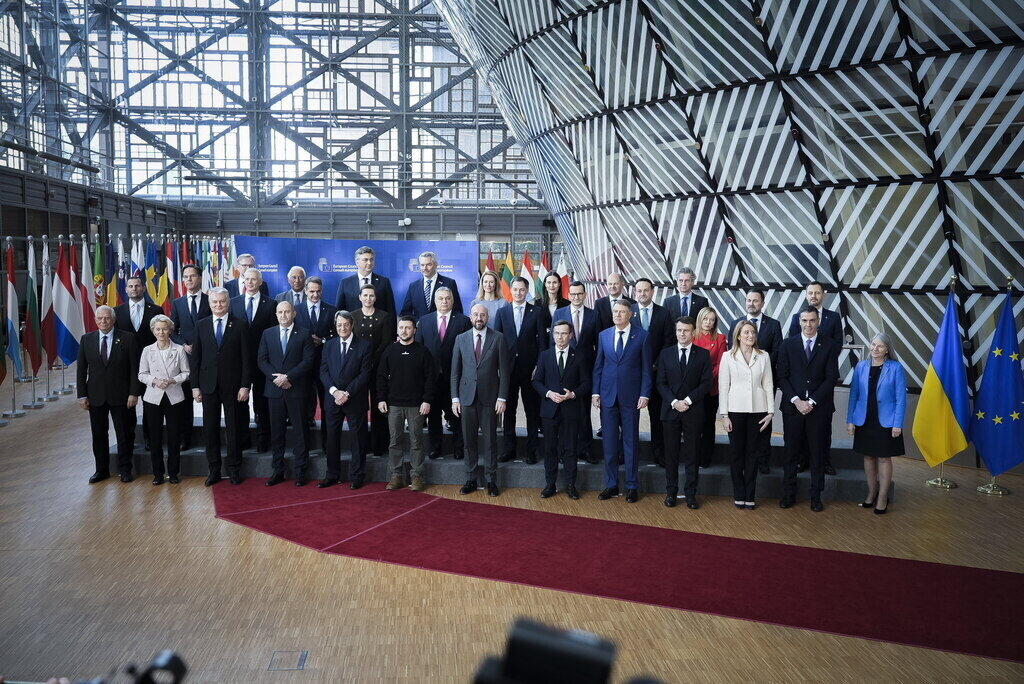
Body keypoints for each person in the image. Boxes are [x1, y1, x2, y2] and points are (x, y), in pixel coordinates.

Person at [778, 305, 840, 512]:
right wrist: (797, 401)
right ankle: (789, 494)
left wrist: (811, 402)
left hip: (819, 410)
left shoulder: (829, 345)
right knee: (790, 454)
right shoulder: (788, 344)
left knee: (817, 454)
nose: (808, 325)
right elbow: (782, 376)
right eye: (804, 321)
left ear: (818, 321)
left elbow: (831, 377)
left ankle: (816, 497)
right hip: (793, 409)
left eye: (812, 320)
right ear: (799, 321)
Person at [592, 301, 652, 503]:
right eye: (615, 311)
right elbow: (598, 366)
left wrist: (645, 394)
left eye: (622, 312)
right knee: (609, 444)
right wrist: (595, 392)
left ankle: (632, 486)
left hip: (631, 398)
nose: (617, 315)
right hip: (607, 396)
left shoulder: (642, 336)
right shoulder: (604, 335)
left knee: (630, 443)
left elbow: (646, 369)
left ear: (631, 314)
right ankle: (611, 484)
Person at [190, 287, 250, 486]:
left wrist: (245, 386)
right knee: (210, 429)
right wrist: (195, 386)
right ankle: (214, 470)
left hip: (233, 387)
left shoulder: (240, 325)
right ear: (210, 304)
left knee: (233, 429)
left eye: (222, 301)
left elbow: (246, 359)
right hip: (208, 386)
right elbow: (195, 358)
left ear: (228, 303)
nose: (218, 305)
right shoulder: (201, 325)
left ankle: (234, 470)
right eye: (215, 302)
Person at [451, 303, 510, 496]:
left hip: (490, 398)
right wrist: (455, 398)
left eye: (482, 315)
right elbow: (455, 373)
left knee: (490, 440)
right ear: (470, 317)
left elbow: (505, 372)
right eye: (475, 314)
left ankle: (491, 480)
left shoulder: (498, 338)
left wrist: (502, 397)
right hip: (466, 398)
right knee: (469, 440)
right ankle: (471, 479)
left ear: (487, 317)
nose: (479, 318)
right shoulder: (460, 339)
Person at [77, 305, 139, 483]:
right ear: (95, 320)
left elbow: (134, 368)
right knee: (98, 435)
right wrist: (82, 395)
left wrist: (134, 393)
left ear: (113, 319)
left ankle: (125, 470)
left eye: (107, 318)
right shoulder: (86, 339)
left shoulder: (127, 338)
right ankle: (101, 470)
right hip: (95, 396)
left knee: (124, 435)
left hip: (122, 396)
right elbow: (81, 370)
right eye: (100, 318)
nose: (103, 321)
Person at [655, 317, 712, 509]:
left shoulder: (703, 354)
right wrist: (674, 402)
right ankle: (671, 493)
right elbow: (660, 383)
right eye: (679, 330)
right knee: (671, 455)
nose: (682, 334)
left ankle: (690, 494)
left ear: (693, 332)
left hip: (693, 410)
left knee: (692, 455)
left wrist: (687, 401)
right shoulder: (665, 354)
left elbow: (706, 383)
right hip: (670, 410)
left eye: (686, 330)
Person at [787, 281, 842, 476]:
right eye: (810, 293)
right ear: (806, 294)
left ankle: (824, 461)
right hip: (800, 383)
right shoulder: (797, 317)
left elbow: (837, 345)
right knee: (801, 429)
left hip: (823, 378)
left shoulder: (833, 317)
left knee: (824, 429)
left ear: (823, 295)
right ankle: (802, 460)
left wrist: (821, 358)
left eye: (817, 293)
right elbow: (793, 346)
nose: (813, 296)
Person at [847, 333, 906, 515]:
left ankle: (882, 497)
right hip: (864, 419)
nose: (875, 348)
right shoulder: (861, 366)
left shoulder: (895, 368)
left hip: (886, 421)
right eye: (873, 344)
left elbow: (901, 399)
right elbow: (854, 395)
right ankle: (871, 493)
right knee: (868, 457)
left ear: (887, 349)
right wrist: (850, 420)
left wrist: (897, 423)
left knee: (883, 458)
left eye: (880, 346)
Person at [493, 276, 550, 464]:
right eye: (515, 289)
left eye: (522, 289)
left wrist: (539, 367)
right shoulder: (502, 312)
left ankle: (531, 450)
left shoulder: (537, 312)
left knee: (531, 410)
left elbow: (543, 342)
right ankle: (509, 449)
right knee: (508, 410)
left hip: (530, 369)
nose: (518, 293)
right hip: (508, 370)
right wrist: (499, 368)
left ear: (527, 291)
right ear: (510, 290)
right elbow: (497, 342)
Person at [258, 301, 315, 486]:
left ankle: (301, 471)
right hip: (274, 391)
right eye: (280, 312)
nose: (283, 315)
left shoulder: (304, 333)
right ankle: (278, 470)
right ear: (276, 314)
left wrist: (288, 377)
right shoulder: (268, 333)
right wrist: (277, 379)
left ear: (294, 313)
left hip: (296, 390)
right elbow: (262, 360)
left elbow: (308, 361)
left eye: (287, 312)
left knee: (300, 432)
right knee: (277, 433)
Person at [532, 320, 590, 499]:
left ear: (570, 335)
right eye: (557, 333)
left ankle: (571, 485)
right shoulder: (545, 355)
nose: (560, 337)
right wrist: (549, 393)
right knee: (550, 449)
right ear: (553, 335)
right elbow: (536, 381)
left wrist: (573, 394)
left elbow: (586, 383)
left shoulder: (579, 356)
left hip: (571, 410)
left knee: (570, 448)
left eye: (564, 333)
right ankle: (550, 484)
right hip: (549, 411)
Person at [719, 321, 774, 510]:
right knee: (736, 454)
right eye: (746, 332)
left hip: (758, 410)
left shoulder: (763, 355)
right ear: (738, 335)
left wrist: (771, 412)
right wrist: (724, 415)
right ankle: (739, 494)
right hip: (734, 411)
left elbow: (768, 384)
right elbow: (723, 387)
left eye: (753, 332)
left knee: (753, 454)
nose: (751, 335)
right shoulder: (727, 356)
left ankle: (750, 496)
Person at [727, 288, 783, 474]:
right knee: (741, 426)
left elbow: (777, 351)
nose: (751, 304)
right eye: (748, 300)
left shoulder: (773, 325)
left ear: (762, 303)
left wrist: (760, 364)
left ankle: (763, 460)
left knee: (763, 423)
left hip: (763, 381)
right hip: (740, 384)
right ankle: (744, 460)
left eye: (755, 300)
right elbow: (731, 351)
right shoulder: (736, 324)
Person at [377, 316, 436, 492]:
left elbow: (430, 378)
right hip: (394, 404)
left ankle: (416, 476)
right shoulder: (389, 351)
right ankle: (396, 476)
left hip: (417, 405)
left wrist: (427, 400)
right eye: (401, 327)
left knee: (416, 441)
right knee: (394, 441)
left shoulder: (423, 352)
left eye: (408, 328)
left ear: (414, 330)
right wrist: (381, 399)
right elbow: (381, 377)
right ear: (397, 330)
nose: (404, 331)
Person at [416, 286, 471, 460]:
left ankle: (459, 448)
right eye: (441, 298)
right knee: (433, 416)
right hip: (431, 378)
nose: (444, 301)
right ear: (435, 301)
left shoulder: (463, 321)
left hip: (455, 377)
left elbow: (467, 352)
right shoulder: (424, 321)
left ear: (452, 300)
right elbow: (419, 349)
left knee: (456, 414)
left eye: (448, 298)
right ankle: (435, 447)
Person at [319, 311, 373, 489]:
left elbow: (365, 374)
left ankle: (357, 476)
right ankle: (332, 475)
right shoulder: (329, 345)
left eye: (346, 325)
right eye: (339, 325)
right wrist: (335, 392)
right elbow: (323, 371)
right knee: (332, 439)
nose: (342, 328)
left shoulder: (364, 346)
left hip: (354, 399)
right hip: (333, 400)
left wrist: (347, 393)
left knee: (358, 439)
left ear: (352, 325)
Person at [138, 315, 190, 485]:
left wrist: (173, 380)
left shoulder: (179, 350)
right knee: (155, 437)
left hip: (174, 396)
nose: (161, 332)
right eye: (158, 329)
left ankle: (173, 472)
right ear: (153, 331)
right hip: (153, 397)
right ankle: (158, 474)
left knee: (174, 436)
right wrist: (154, 380)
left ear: (170, 331)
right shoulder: (147, 350)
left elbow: (186, 373)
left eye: (164, 329)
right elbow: (141, 374)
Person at [552, 281, 600, 463]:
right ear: (568, 295)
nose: (576, 297)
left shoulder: (594, 315)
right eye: (573, 294)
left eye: (579, 293)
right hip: (564, 368)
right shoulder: (559, 313)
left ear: (585, 294)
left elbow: (599, 344)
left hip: (586, 369)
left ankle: (585, 450)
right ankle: (563, 451)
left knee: (584, 412)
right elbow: (552, 341)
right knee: (564, 412)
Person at [230, 267, 276, 452]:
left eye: (253, 279)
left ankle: (263, 440)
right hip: (238, 361)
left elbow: (273, 334)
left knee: (261, 402)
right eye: (247, 279)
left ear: (260, 282)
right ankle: (243, 439)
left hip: (262, 361)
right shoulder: (233, 303)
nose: (249, 282)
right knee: (240, 401)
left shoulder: (271, 304)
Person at [114, 275, 162, 450]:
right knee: (127, 404)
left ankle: (150, 439)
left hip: (151, 365)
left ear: (143, 288)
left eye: (137, 286)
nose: (134, 289)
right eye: (130, 286)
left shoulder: (156, 310)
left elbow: (161, 336)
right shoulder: (117, 311)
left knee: (150, 405)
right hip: (126, 367)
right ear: (126, 289)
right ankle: (130, 439)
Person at [631, 277, 674, 465]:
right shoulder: (628, 311)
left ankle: (659, 453)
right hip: (632, 373)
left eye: (646, 290)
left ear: (652, 291)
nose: (642, 293)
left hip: (656, 372)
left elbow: (668, 341)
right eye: (639, 290)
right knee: (630, 416)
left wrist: (655, 364)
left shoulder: (664, 313)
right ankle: (628, 453)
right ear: (635, 292)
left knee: (656, 416)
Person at [351, 284, 397, 456]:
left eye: (371, 295)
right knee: (360, 406)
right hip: (358, 369)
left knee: (379, 405)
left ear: (375, 298)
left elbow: (386, 342)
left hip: (378, 368)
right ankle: (362, 445)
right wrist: (363, 362)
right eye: (365, 295)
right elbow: (352, 341)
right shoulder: (353, 316)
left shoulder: (384, 316)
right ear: (360, 297)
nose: (368, 298)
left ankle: (379, 445)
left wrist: (372, 361)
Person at [169, 263, 209, 451]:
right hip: (185, 358)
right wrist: (183, 345)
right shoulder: (177, 303)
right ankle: (185, 438)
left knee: (208, 399)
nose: (189, 280)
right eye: (186, 277)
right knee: (185, 401)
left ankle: (210, 439)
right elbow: (172, 330)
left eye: (192, 276)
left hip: (207, 358)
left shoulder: (210, 300)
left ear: (200, 278)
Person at [293, 276, 337, 434]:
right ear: (305, 291)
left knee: (327, 403)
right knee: (302, 402)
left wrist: (323, 340)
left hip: (324, 364)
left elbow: (337, 336)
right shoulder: (296, 310)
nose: (315, 295)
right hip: (302, 364)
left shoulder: (331, 310)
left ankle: (327, 440)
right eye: (311, 291)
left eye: (318, 291)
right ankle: (303, 439)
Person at [692, 306, 726, 468]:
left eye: (711, 320)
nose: (708, 322)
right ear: (700, 319)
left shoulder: (720, 339)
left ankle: (705, 458)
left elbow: (721, 363)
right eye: (705, 319)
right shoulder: (691, 336)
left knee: (708, 423)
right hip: (692, 388)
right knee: (693, 424)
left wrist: (706, 379)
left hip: (711, 388)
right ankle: (692, 458)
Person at [335, 245, 397, 315]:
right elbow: (339, 311)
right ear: (357, 262)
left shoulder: (384, 282)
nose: (369, 263)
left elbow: (391, 309)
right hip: (353, 321)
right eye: (365, 260)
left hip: (378, 321)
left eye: (371, 259)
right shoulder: (345, 283)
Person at [401, 251, 463, 319]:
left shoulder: (449, 283)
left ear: (436, 265)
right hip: (420, 325)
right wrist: (417, 323)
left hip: (443, 325)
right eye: (422, 265)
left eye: (428, 265)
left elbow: (457, 310)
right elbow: (405, 312)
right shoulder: (413, 286)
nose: (425, 268)